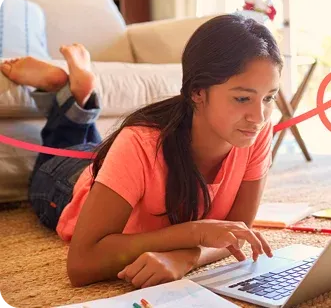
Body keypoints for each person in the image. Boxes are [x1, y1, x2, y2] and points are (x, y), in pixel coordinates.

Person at [0, 14, 283, 289]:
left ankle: (76, 94)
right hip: (66, 183)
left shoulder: (255, 131)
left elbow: (238, 232)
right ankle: (68, 92)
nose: (258, 116)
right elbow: (82, 263)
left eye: (269, 97)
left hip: (114, 162)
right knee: (64, 147)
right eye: (242, 98)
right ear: (197, 92)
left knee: (94, 145)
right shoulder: (139, 142)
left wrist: (187, 256)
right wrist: (194, 232)